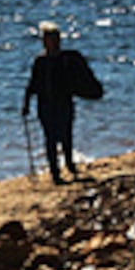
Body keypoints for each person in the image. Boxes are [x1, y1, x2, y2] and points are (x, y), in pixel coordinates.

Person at [22, 22, 103, 184]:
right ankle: (55, 172)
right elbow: (32, 83)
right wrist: (26, 104)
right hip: (45, 104)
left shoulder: (67, 59)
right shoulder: (40, 61)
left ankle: (70, 165)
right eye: (47, 39)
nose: (49, 43)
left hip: (63, 102)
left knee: (66, 135)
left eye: (52, 39)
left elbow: (78, 80)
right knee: (50, 138)